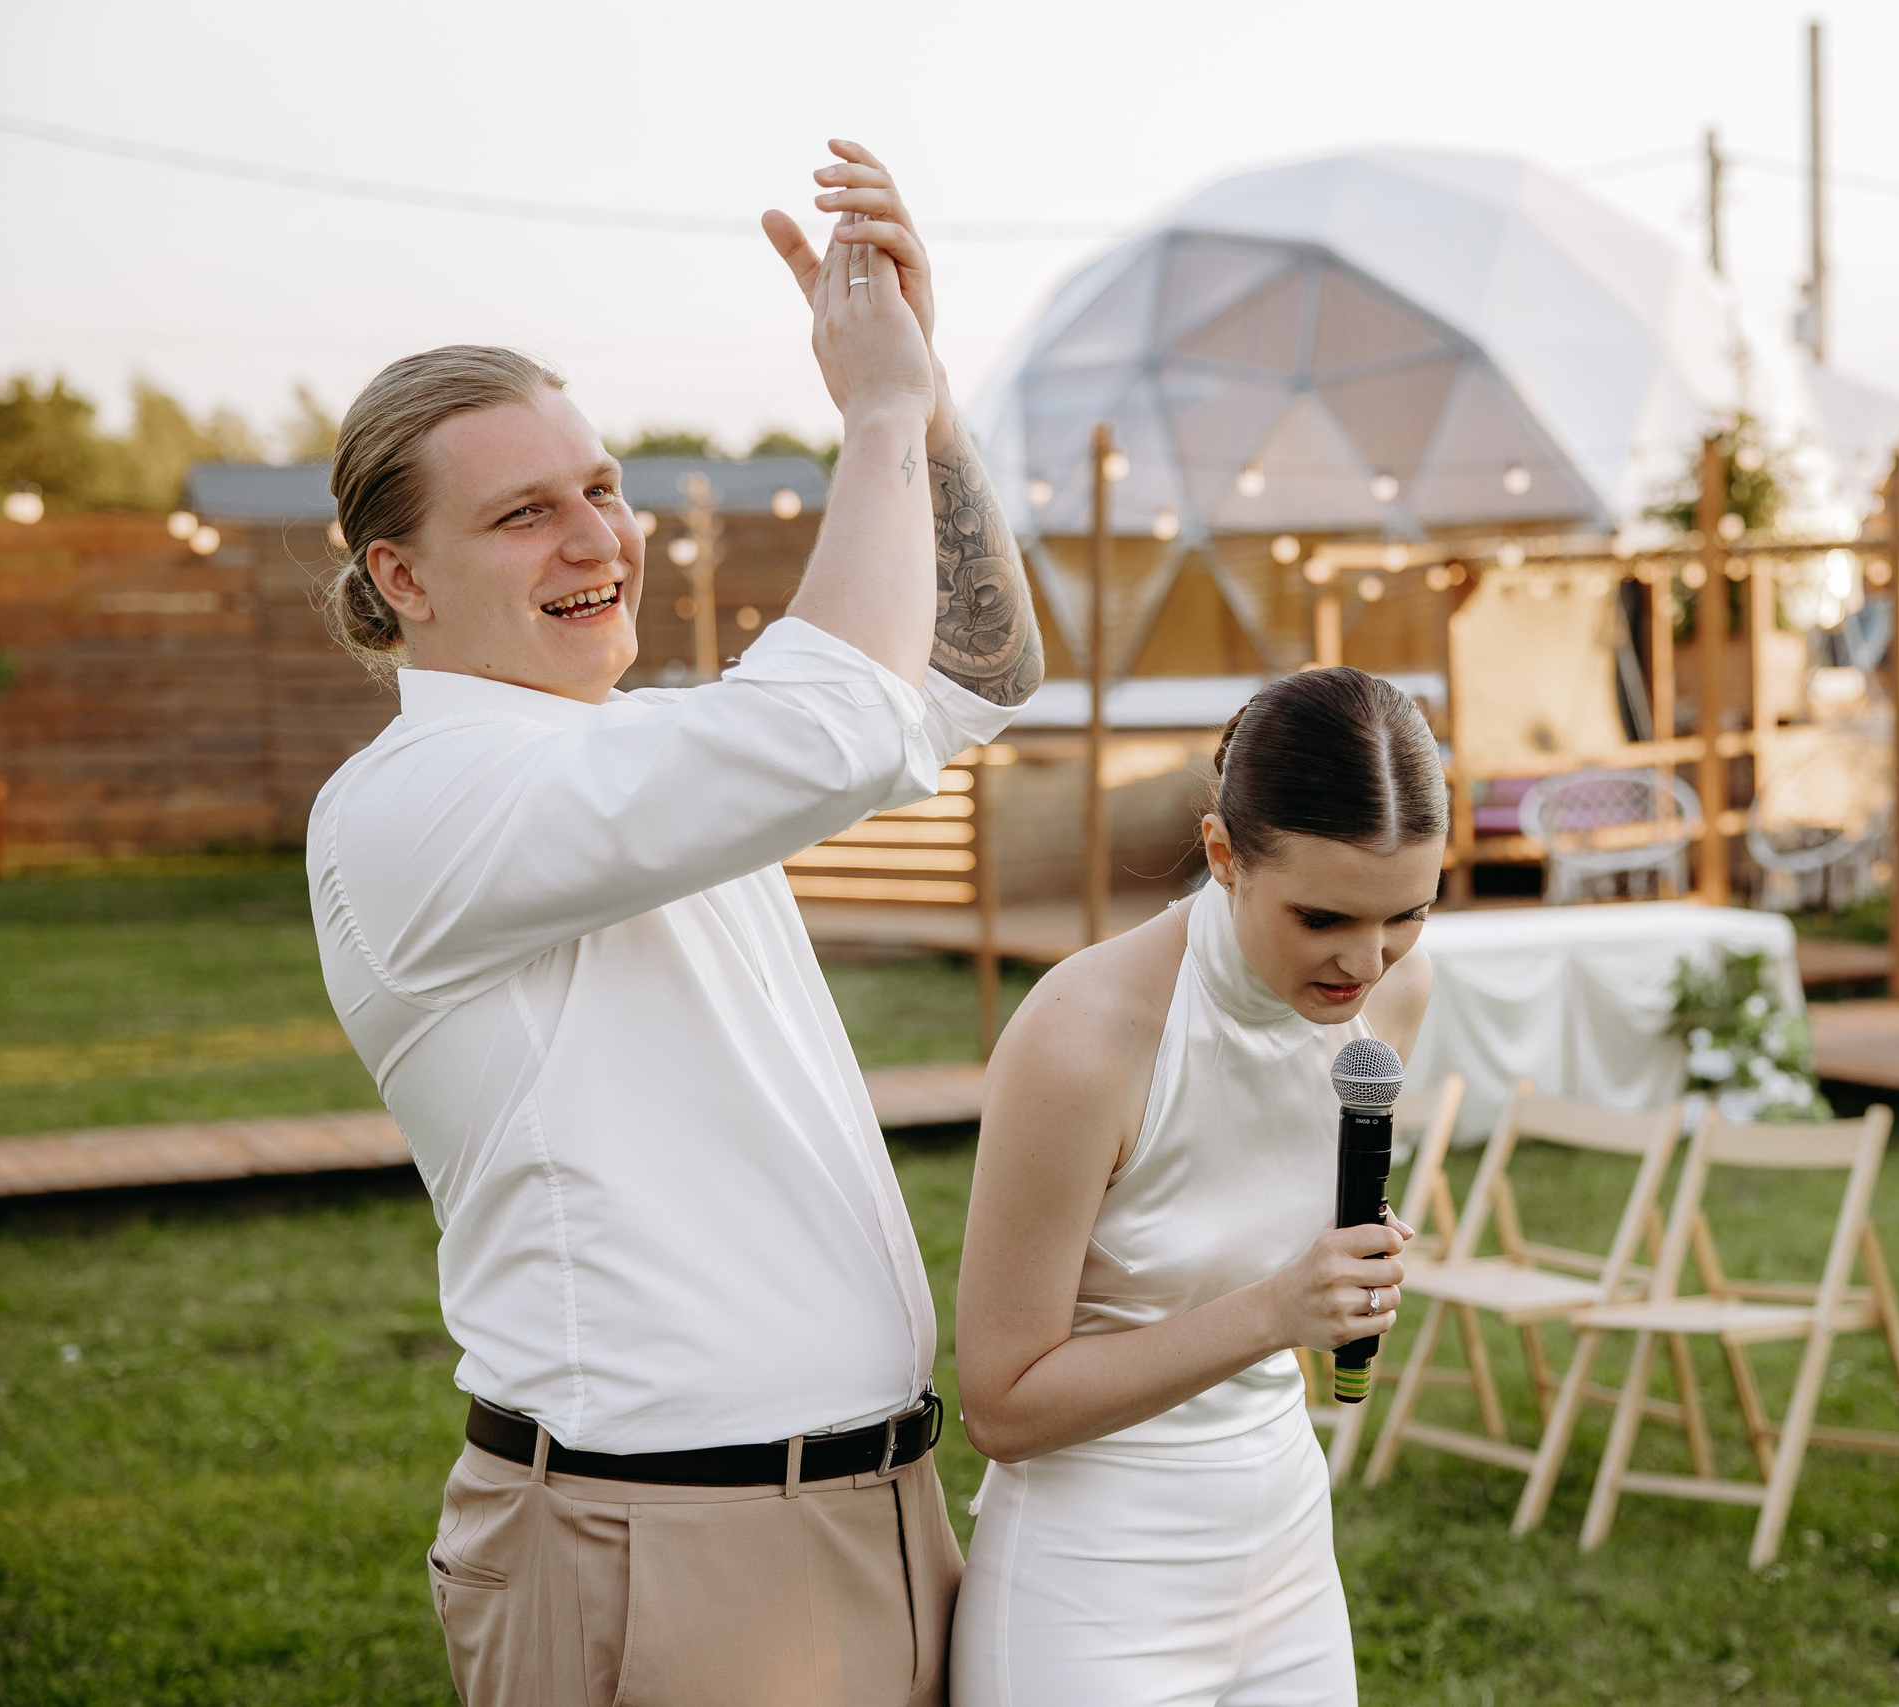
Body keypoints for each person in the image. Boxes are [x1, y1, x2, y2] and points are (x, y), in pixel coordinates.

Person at [306, 142, 1039, 1707]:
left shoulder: (631, 752)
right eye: (523, 513)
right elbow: (831, 726)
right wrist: (880, 417)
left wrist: (928, 395)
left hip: (879, 1506)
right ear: (402, 576)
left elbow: (978, 669)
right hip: (661, 1537)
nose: (597, 538)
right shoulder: (413, 800)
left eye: (604, 486)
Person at [950, 667, 1448, 1706]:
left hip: (1285, 1547)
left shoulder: (1395, 991)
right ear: (1221, 854)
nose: (1367, 960)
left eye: (1409, 912)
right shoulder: (1085, 1038)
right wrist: (1274, 1311)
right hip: (1092, 1583)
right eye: (1321, 919)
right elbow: (1000, 1404)